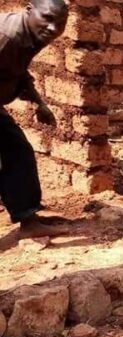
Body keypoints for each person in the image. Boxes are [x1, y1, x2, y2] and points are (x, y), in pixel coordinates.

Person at [0, 0, 68, 239]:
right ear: (29, 10)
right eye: (47, 18)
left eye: (60, 23)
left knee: (18, 151)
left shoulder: (31, 35)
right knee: (16, 150)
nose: (52, 28)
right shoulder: (7, 37)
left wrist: (40, 103)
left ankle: (28, 218)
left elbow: (16, 72)